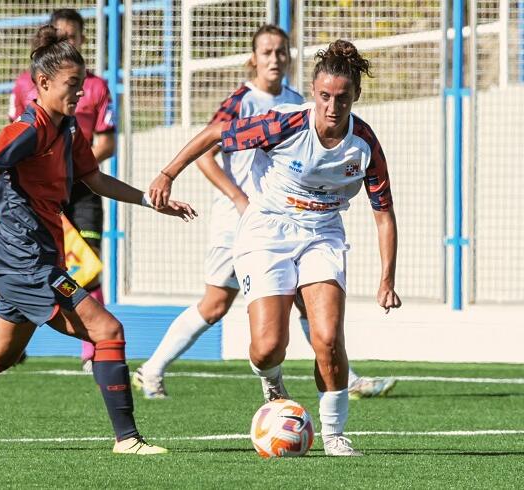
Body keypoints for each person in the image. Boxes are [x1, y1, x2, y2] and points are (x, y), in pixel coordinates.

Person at [0, 26, 196, 455]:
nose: (80, 94)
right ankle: (128, 440)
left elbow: (93, 178)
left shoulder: (69, 129)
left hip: (32, 256)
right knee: (107, 329)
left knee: (3, 352)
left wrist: (152, 202)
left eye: (81, 85)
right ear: (43, 84)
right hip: (25, 260)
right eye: (72, 85)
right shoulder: (28, 127)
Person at [148, 40, 401, 456]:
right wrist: (166, 174)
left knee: (328, 338)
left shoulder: (365, 145)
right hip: (267, 230)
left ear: (355, 95)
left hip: (322, 233)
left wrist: (387, 279)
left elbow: (383, 213)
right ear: (314, 93)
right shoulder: (285, 123)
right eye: (323, 96)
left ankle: (335, 434)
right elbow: (215, 133)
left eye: (341, 98)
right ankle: (272, 383)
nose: (331, 107)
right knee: (267, 347)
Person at [132, 25, 303, 400]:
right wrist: (241, 200)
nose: (275, 58)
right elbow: (206, 154)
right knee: (214, 305)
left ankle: (346, 378)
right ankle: (152, 368)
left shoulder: (297, 100)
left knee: (306, 292)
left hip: (278, 220)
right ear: (252, 59)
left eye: (281, 51)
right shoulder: (242, 101)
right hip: (237, 221)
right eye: (267, 52)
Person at [10, 9, 114, 371]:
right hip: (41, 194)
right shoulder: (26, 84)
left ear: (84, 39)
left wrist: (72, 169)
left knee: (88, 264)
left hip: (81, 188)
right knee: (33, 264)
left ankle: (92, 351)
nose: (68, 41)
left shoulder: (96, 86)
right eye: (61, 35)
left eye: (74, 35)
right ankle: (14, 341)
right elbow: (11, 147)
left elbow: (107, 141)